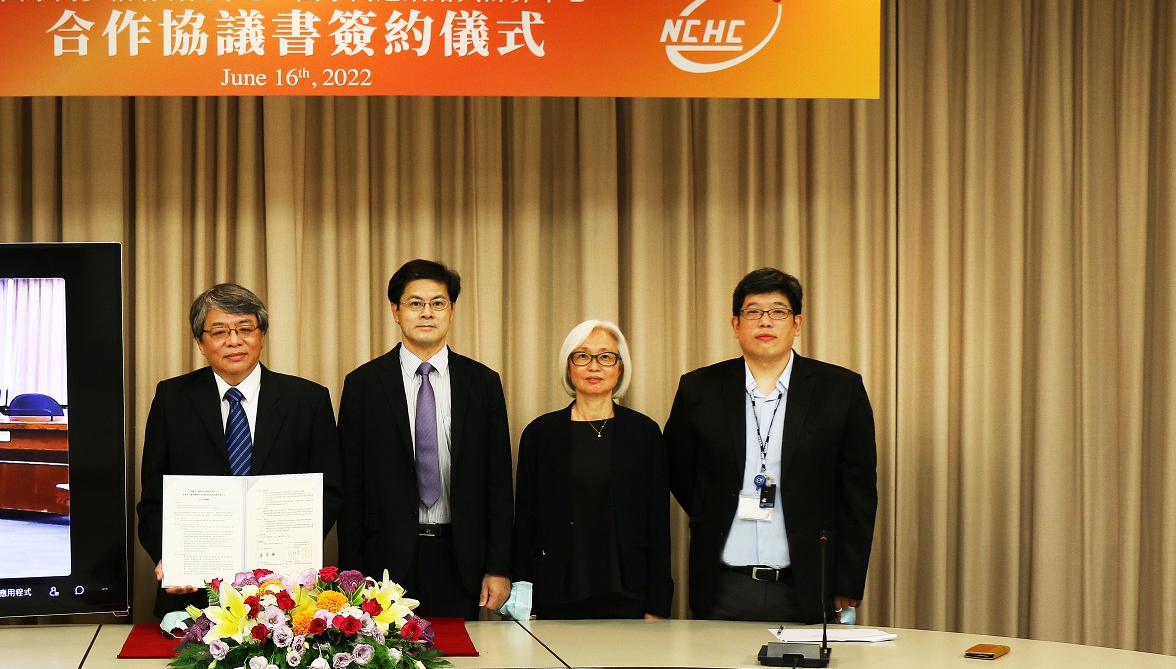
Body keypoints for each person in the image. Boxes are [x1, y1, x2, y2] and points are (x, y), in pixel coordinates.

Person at [664, 268, 878, 623]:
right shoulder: (698, 388)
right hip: (724, 584)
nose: (766, 321)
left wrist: (848, 581)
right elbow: (679, 470)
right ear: (736, 325)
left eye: (778, 311)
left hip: (808, 583)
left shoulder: (841, 390)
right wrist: (717, 504)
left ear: (796, 324)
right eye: (753, 312)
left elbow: (858, 494)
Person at [137, 283, 341, 619]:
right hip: (195, 591)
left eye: (245, 329)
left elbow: (330, 491)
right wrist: (170, 557)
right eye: (219, 332)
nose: (234, 341)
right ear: (201, 343)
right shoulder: (172, 399)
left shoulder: (307, 400)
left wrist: (293, 557)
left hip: (282, 594)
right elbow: (153, 496)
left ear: (262, 335)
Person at [337, 259, 512, 619]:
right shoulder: (364, 385)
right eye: (415, 303)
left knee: (459, 665)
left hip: (460, 556)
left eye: (438, 303)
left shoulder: (482, 383)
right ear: (396, 312)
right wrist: (350, 573)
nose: (427, 313)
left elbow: (497, 482)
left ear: (452, 311)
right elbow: (351, 487)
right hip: (383, 562)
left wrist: (499, 565)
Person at [505, 320, 672, 621]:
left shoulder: (644, 433)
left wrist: (658, 604)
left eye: (606, 357)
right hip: (554, 592)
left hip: (628, 591)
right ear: (568, 367)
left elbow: (659, 523)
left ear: (620, 368)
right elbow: (525, 523)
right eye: (582, 356)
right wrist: (521, 597)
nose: (594, 366)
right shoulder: (541, 434)